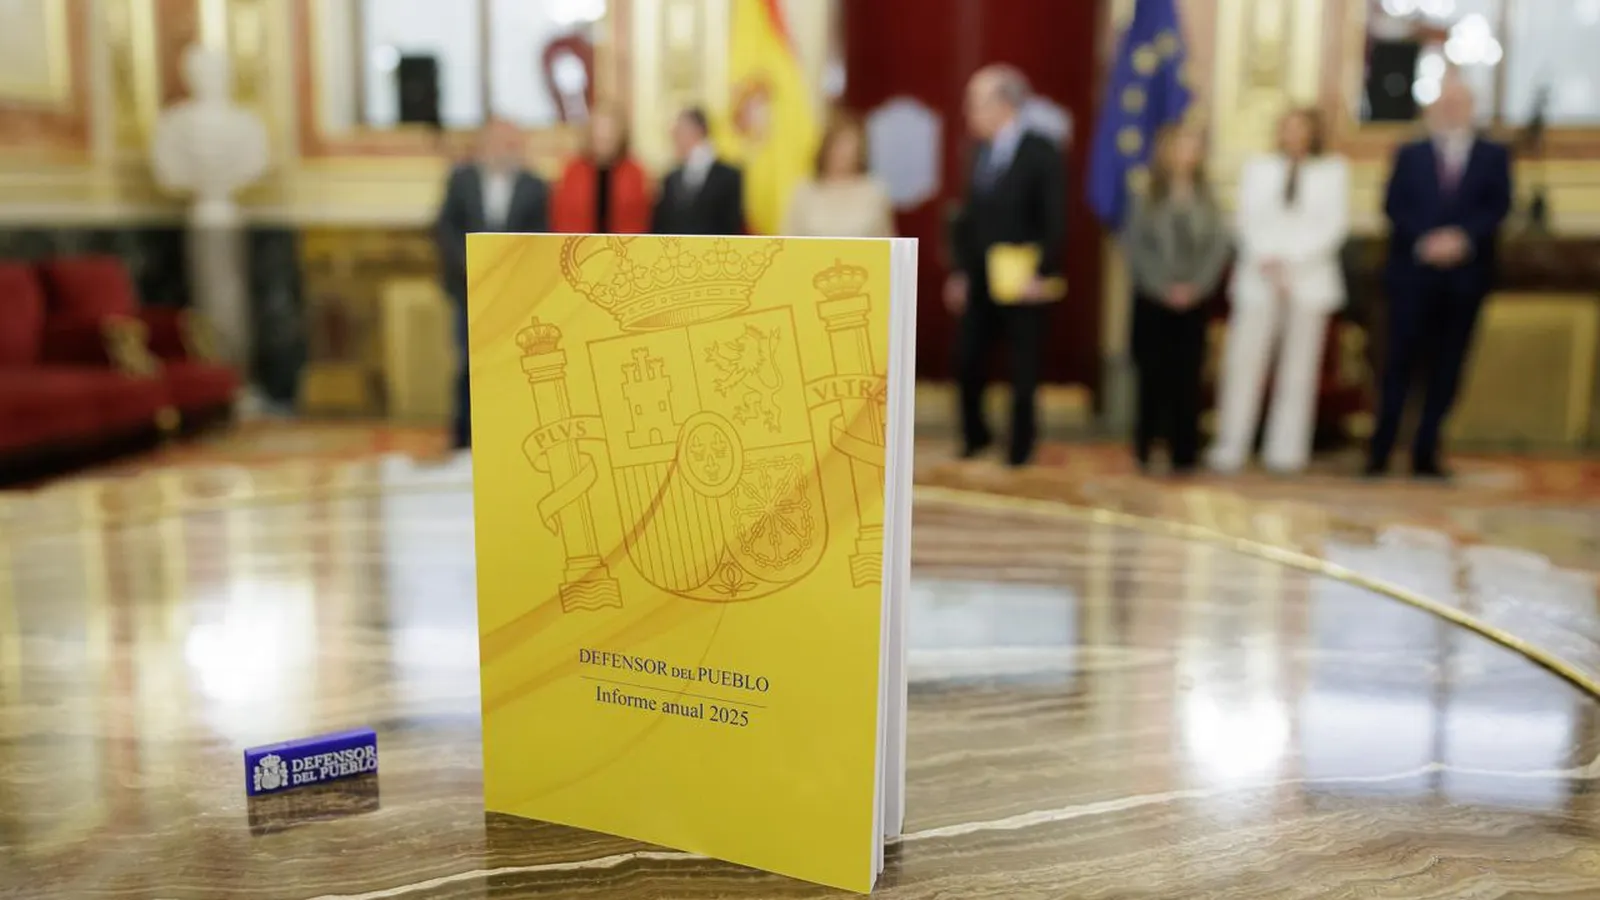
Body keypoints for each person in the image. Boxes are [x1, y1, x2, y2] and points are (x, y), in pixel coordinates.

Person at [1366, 75, 1511, 479]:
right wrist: (1427, 241)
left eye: (1458, 103)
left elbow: (1498, 206)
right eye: (1444, 103)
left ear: (1471, 109)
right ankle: (1381, 449)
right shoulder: (1410, 153)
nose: (1451, 110)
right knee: (1398, 364)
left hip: (1465, 278)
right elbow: (1394, 204)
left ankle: (1426, 451)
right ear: (1432, 108)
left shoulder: (1493, 155)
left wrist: (1460, 240)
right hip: (1412, 276)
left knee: (1447, 367)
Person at [1208, 107, 1350, 474]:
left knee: (1299, 369)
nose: (1294, 135)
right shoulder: (1259, 168)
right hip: (1259, 276)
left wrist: (1293, 264)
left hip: (1308, 280)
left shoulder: (1332, 171)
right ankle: (1231, 444)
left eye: (1302, 128)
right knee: (1243, 363)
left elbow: (1332, 226)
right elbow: (1246, 219)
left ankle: (1286, 449)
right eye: (1288, 127)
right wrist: (1268, 260)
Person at [946, 64, 1067, 468]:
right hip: (981, 275)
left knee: (1023, 367)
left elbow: (1054, 219)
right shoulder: (977, 151)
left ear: (1003, 105)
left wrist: (1042, 272)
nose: (968, 111)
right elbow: (967, 217)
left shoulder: (1042, 150)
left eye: (975, 103)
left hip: (1024, 278)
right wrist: (961, 272)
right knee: (967, 358)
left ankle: (1020, 447)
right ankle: (975, 436)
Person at [433, 118, 549, 450]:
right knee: (467, 364)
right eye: (498, 142)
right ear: (484, 145)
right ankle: (463, 440)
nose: (504, 149)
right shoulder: (461, 180)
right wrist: (470, 265)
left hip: (513, 295)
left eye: (511, 143)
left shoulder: (535, 186)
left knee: (510, 366)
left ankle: (506, 439)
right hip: (467, 290)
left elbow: (539, 237)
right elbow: (445, 229)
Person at [1122, 124, 1232, 475]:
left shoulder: (1208, 196)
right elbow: (1136, 246)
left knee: (1187, 376)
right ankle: (1146, 445)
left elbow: (1218, 247)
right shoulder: (1145, 193)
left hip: (1194, 300)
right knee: (1152, 374)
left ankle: (1184, 450)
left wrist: (1196, 287)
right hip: (1153, 299)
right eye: (1181, 147)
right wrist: (1163, 287)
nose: (1187, 154)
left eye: (1192, 147)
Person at [782, 110, 894, 237]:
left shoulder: (875, 191)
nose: (843, 154)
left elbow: (887, 241)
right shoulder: (804, 190)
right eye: (838, 146)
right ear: (826, 147)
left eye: (850, 147)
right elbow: (788, 239)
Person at [550, 107, 653, 234]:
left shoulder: (634, 173)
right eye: (599, 132)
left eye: (609, 132)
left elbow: (641, 218)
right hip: (579, 242)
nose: (603, 137)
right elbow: (561, 216)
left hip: (625, 243)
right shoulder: (572, 171)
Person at [651, 107, 744, 235]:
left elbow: (731, 226)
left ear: (698, 131)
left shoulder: (728, 176)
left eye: (680, 131)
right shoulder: (671, 178)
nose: (674, 137)